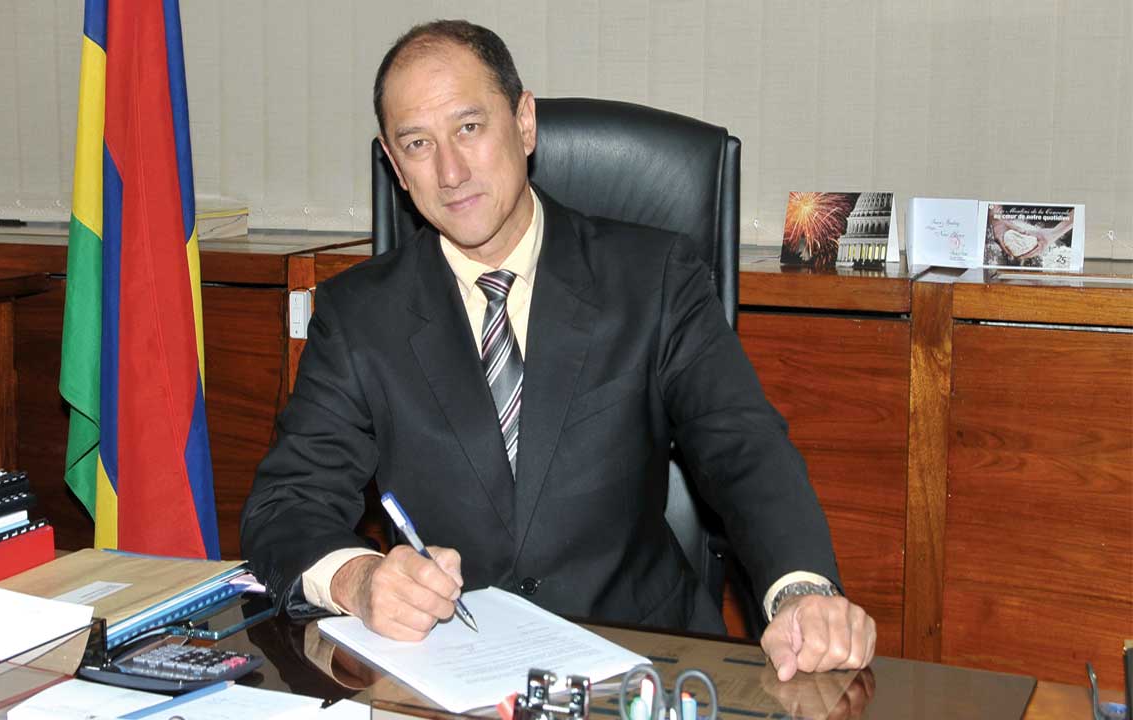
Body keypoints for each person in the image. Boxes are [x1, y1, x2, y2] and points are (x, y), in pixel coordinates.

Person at [242, 19, 876, 682]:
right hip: (448, 670)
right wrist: (360, 578)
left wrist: (802, 591)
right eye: (418, 144)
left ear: (524, 123)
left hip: (642, 661)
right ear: (396, 166)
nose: (451, 171)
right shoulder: (359, 316)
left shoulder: (653, 277)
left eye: (469, 127)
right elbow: (285, 506)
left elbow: (743, 445)